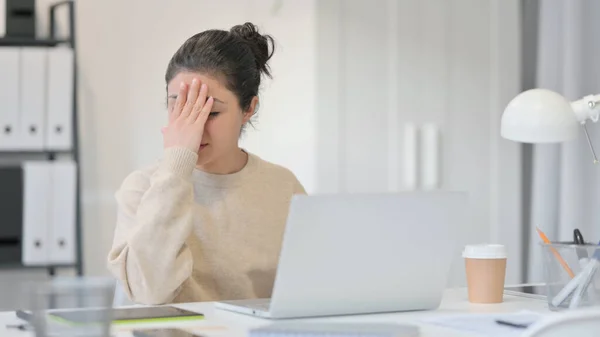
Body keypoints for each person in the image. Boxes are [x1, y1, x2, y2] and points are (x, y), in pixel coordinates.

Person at [107, 22, 306, 305]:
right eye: (179, 106)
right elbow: (147, 293)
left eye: (210, 112)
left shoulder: (284, 188)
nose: (193, 126)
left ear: (248, 108)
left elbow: (307, 297)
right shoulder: (141, 188)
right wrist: (176, 167)